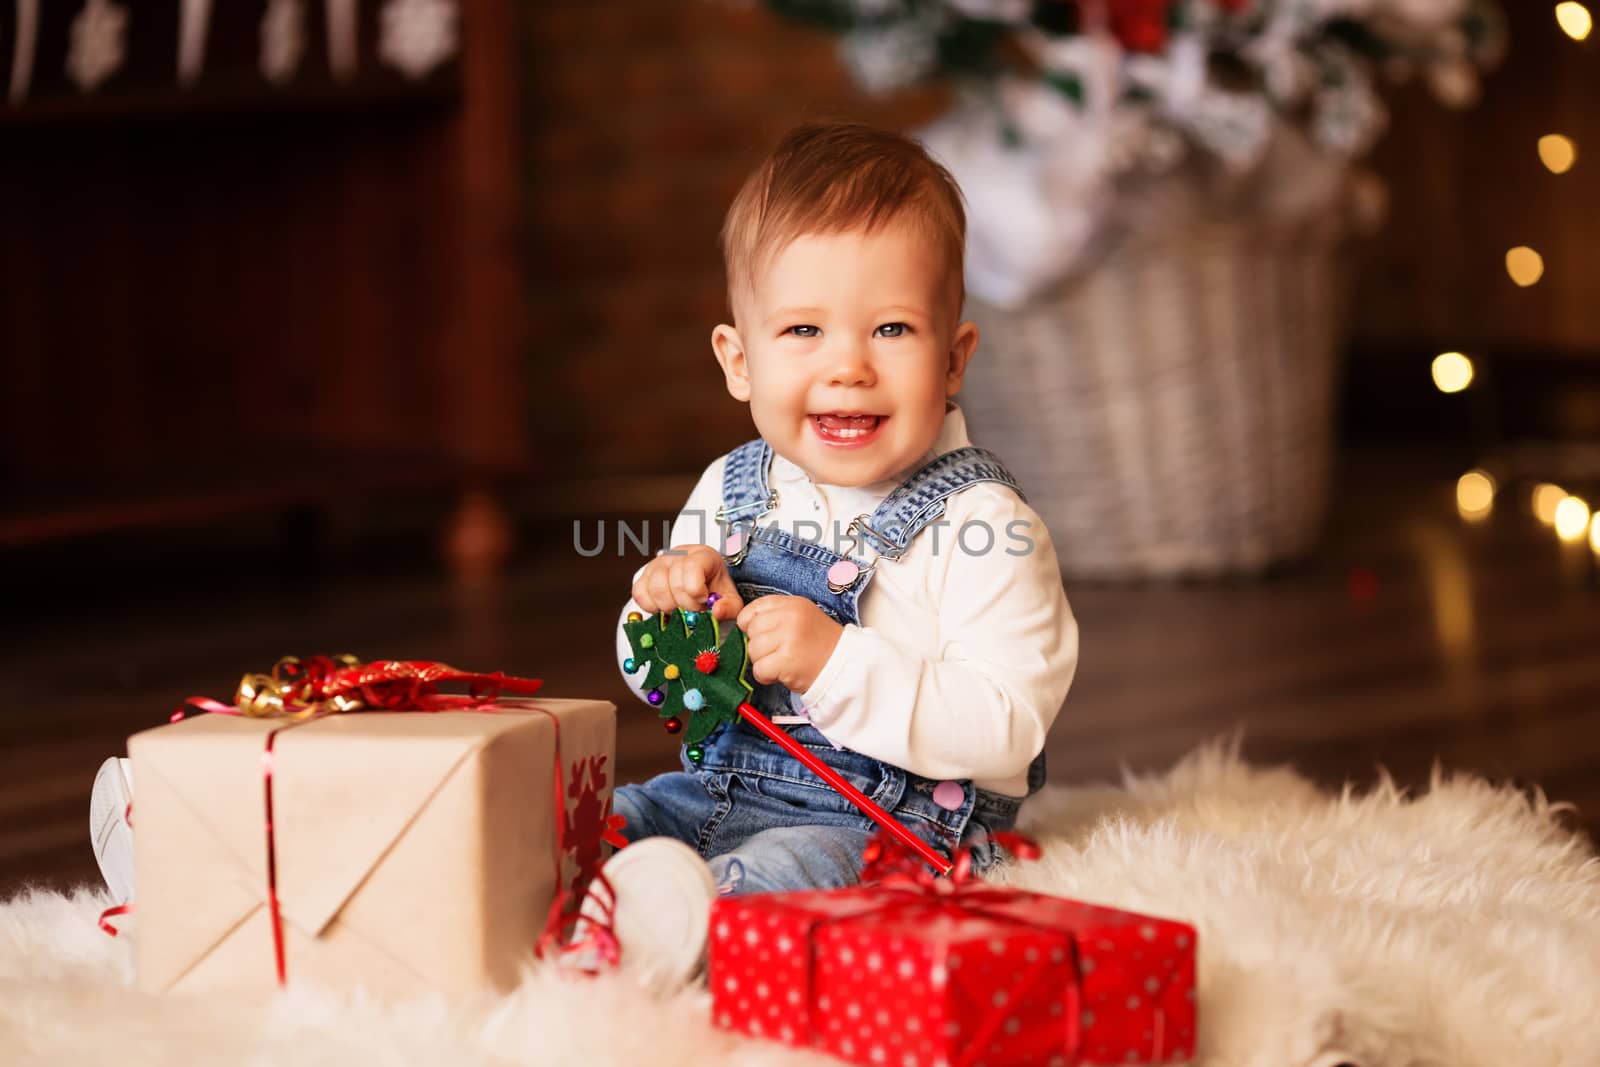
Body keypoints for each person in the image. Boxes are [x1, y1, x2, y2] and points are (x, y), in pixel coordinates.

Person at [584, 121, 1079, 991]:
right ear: (739, 361)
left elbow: (1010, 724)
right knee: (603, 819)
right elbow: (673, 690)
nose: (847, 365)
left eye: (891, 329)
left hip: (887, 832)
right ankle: (602, 907)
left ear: (954, 358)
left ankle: (680, 943)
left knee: (775, 876)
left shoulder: (982, 523)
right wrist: (656, 610)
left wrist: (837, 663)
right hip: (721, 795)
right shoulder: (730, 488)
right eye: (804, 330)